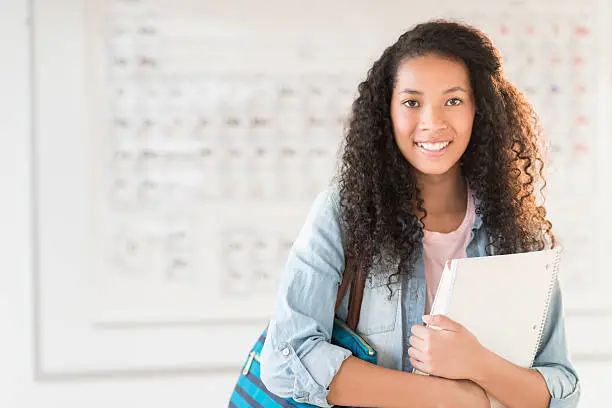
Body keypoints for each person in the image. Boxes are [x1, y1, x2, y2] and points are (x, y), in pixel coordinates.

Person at [259, 19, 580, 408]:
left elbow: (561, 389)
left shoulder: (518, 230)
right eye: (412, 102)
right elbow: (286, 359)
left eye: (454, 100)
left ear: (480, 109)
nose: (432, 122)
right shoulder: (343, 212)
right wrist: (450, 398)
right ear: (387, 113)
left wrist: (478, 364)